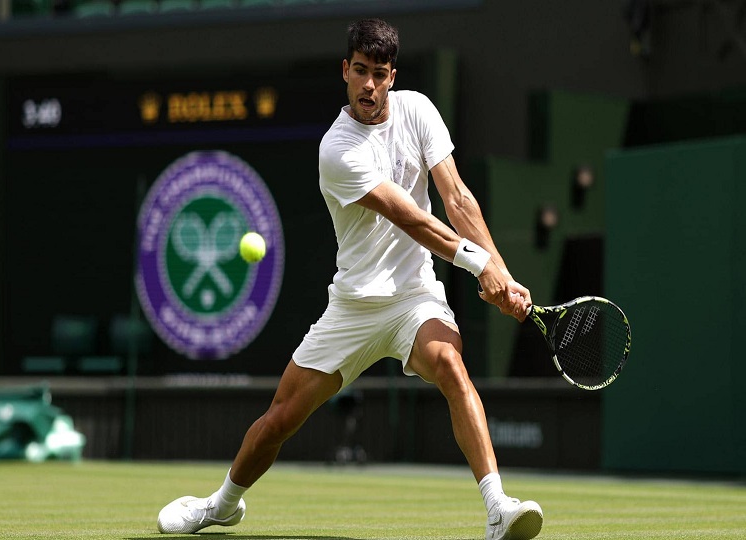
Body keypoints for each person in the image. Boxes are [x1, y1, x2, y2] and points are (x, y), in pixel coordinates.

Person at [157, 18, 543, 540]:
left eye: (379, 74)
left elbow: (457, 200)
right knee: (279, 421)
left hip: (414, 296)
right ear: (345, 70)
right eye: (359, 71)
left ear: (392, 76)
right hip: (355, 307)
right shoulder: (337, 150)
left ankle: (498, 508)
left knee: (452, 365)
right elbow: (409, 216)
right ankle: (221, 504)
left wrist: (502, 272)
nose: (368, 84)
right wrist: (479, 266)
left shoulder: (419, 111)